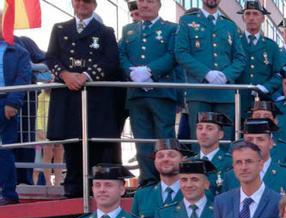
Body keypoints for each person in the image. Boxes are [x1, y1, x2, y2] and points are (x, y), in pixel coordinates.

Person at [46, 0, 124, 199]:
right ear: (73, 3)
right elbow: (51, 57)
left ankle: (95, 187)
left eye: (87, 1)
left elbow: (111, 61)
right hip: (68, 95)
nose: (82, 4)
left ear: (94, 5)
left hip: (96, 98)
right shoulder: (60, 28)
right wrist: (65, 75)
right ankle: (73, 187)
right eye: (78, 0)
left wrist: (86, 76)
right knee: (72, 143)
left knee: (96, 144)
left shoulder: (105, 31)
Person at [118, 0, 179, 188]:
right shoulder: (129, 30)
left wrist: (150, 71)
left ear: (159, 5)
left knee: (165, 139)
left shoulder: (171, 29)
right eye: (141, 1)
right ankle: (148, 180)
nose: (145, 5)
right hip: (137, 94)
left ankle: (168, 179)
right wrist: (132, 73)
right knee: (142, 141)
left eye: (150, 1)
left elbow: (173, 54)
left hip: (162, 92)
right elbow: (121, 55)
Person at [175, 0, 245, 141]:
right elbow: (181, 52)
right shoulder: (188, 21)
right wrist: (206, 73)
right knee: (200, 141)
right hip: (199, 91)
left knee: (225, 141)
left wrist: (226, 75)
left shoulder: (229, 25)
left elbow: (240, 58)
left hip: (225, 93)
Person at [236, 1, 283, 115]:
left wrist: (266, 87)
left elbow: (279, 74)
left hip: (262, 104)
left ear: (263, 18)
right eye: (248, 14)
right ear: (243, 18)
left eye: (255, 14)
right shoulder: (235, 42)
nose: (251, 18)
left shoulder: (271, 46)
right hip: (237, 101)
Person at [0, 38, 31, 205]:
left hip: (5, 102)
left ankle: (8, 194)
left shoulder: (20, 51)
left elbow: (23, 78)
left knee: (5, 151)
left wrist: (13, 102)